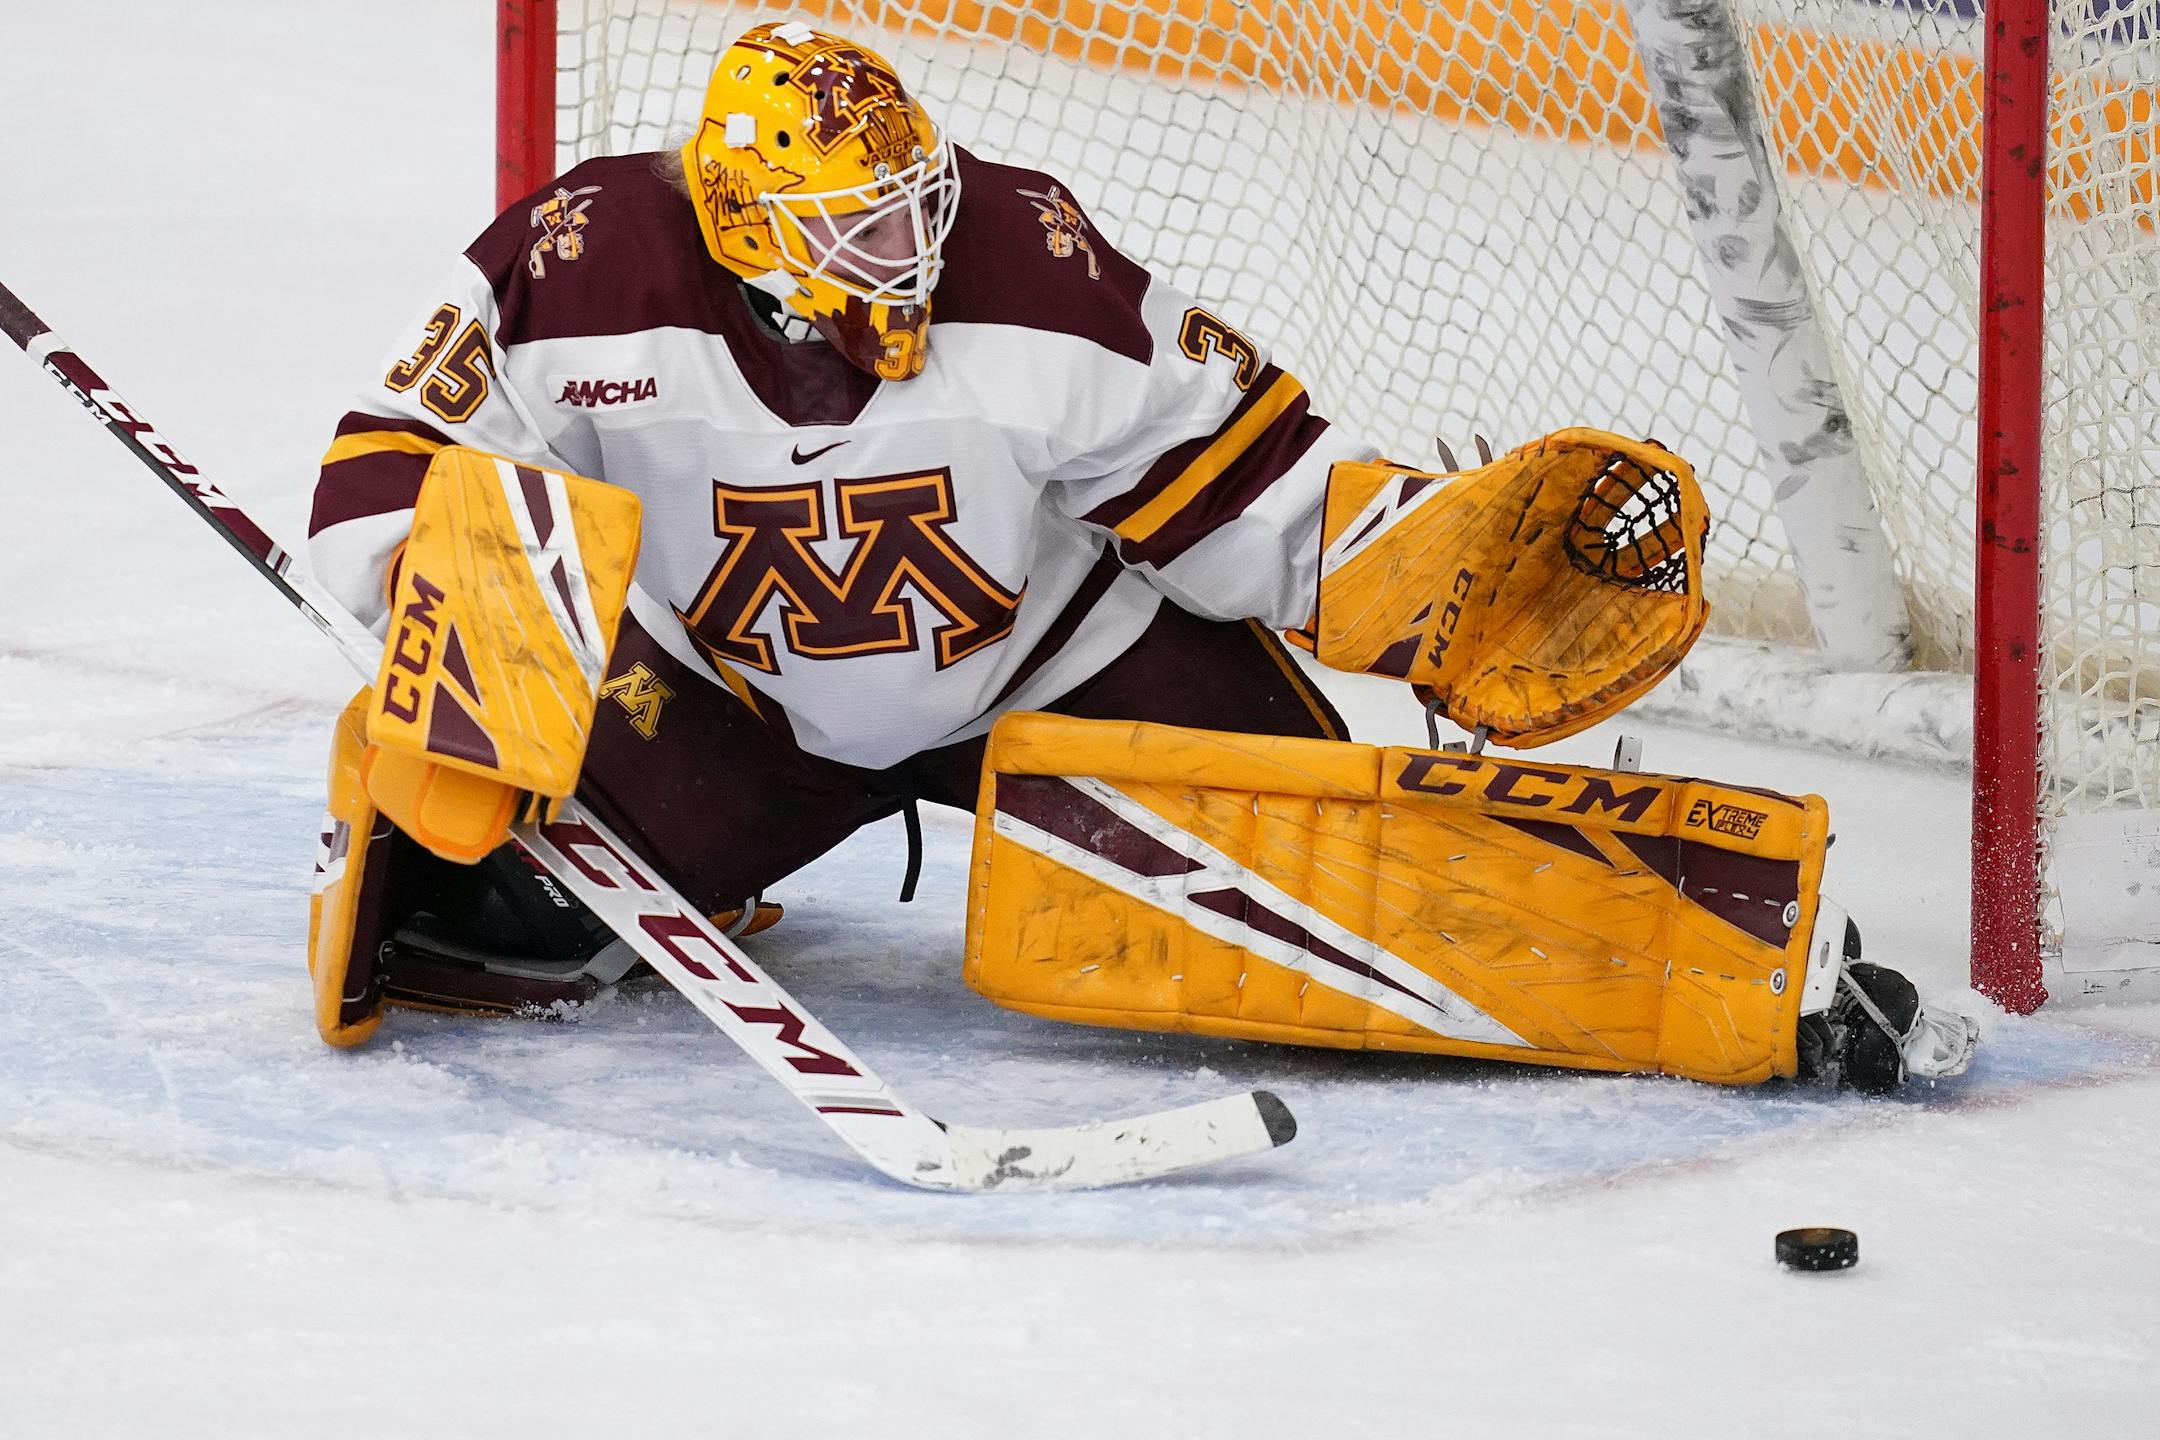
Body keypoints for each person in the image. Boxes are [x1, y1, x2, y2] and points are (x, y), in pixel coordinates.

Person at [306, 21, 1973, 1093]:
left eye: (922, 203)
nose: (920, 248)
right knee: (467, 912)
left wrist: (1415, 576)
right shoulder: (581, 262)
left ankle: (1731, 974)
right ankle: (659, 856)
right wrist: (430, 651)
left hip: (1050, 661)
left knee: (1355, 900)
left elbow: (1252, 483)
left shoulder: (1035, 272)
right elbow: (404, 464)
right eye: (866, 232)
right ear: (754, 236)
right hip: (733, 698)